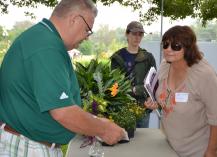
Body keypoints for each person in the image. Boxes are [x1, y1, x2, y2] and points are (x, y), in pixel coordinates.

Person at [0, 0, 125, 156]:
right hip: (28, 148)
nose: (87, 37)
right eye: (88, 30)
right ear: (74, 19)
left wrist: (94, 120)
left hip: (30, 143)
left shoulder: (44, 39)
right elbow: (63, 112)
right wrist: (103, 129)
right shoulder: (47, 47)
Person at [145, 25, 217, 157]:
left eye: (176, 46)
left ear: (188, 47)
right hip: (169, 146)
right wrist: (156, 102)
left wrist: (211, 151)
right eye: (166, 44)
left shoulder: (204, 75)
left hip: (197, 151)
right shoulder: (165, 65)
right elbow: (166, 98)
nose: (168, 49)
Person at [110, 21, 156, 128]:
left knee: (142, 142)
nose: (137, 37)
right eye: (134, 34)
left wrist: (138, 90)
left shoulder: (148, 57)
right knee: (125, 140)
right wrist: (132, 90)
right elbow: (115, 83)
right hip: (123, 108)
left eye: (140, 34)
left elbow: (153, 83)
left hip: (143, 108)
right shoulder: (118, 57)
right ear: (127, 34)